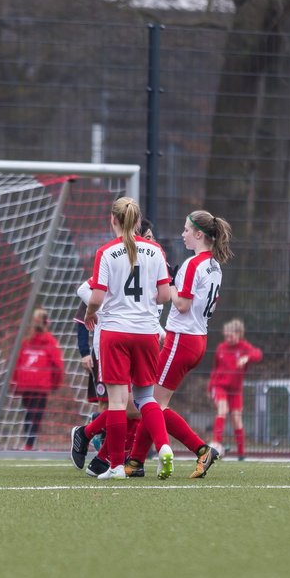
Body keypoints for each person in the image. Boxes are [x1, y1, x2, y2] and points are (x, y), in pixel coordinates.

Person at [122, 210, 232, 479]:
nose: (182, 235)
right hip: (197, 340)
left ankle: (201, 449)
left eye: (186, 230)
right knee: (153, 404)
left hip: (181, 340)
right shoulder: (214, 265)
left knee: (149, 403)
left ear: (198, 235)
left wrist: (167, 282)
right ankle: (135, 462)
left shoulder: (192, 265)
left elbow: (181, 304)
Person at [82, 197, 174, 479]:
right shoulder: (156, 250)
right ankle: (165, 448)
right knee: (147, 397)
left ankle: (117, 466)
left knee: (118, 401)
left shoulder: (106, 252)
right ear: (137, 222)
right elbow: (165, 295)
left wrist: (89, 314)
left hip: (116, 332)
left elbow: (96, 296)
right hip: (146, 332)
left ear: (114, 220)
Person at [209, 318, 263, 461]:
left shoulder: (244, 347)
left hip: (236, 390)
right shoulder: (221, 348)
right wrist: (210, 387)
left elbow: (258, 354)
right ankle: (216, 445)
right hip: (220, 387)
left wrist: (247, 358)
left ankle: (241, 454)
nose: (228, 338)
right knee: (223, 410)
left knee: (237, 419)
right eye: (226, 335)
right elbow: (215, 369)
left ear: (239, 334)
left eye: (231, 335)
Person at [11, 307, 64, 449]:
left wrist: (15, 382)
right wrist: (56, 384)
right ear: (47, 323)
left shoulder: (26, 341)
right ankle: (29, 444)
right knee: (36, 415)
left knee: (29, 413)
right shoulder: (51, 342)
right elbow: (58, 366)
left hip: (26, 383)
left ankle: (27, 443)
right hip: (41, 385)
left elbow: (17, 362)